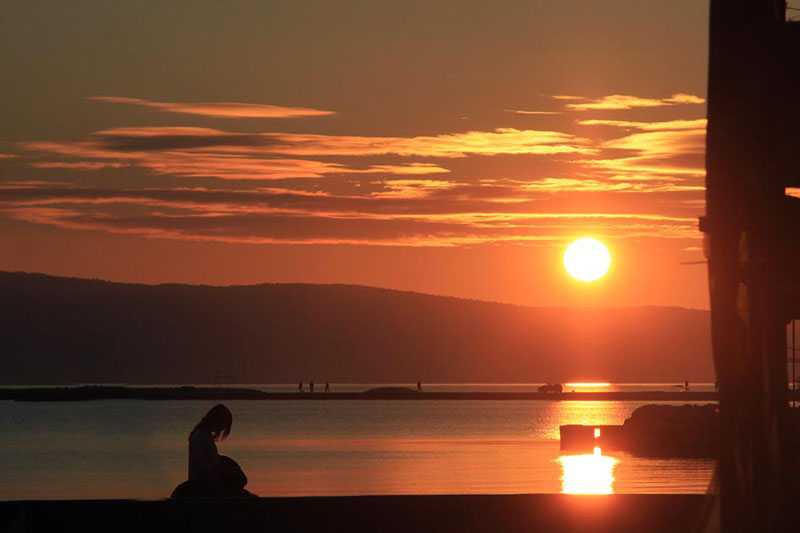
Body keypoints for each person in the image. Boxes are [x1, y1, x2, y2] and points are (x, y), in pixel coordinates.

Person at [171, 404, 253, 498]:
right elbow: (201, 465)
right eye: (223, 425)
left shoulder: (204, 436)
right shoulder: (201, 437)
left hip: (209, 482)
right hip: (204, 484)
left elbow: (208, 460)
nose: (222, 429)